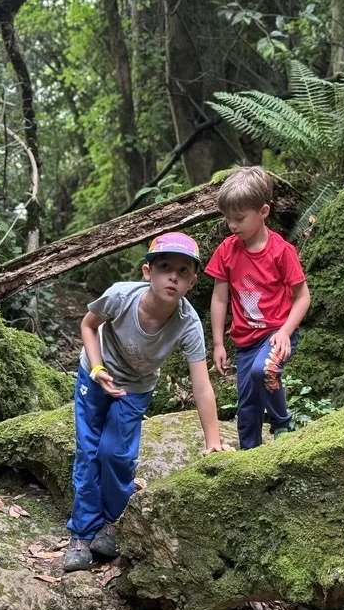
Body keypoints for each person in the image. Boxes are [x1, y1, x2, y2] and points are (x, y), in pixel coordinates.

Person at [63, 232, 231, 573]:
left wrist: (213, 441)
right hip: (94, 377)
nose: (173, 276)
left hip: (135, 388)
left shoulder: (188, 324)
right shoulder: (120, 297)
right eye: (165, 267)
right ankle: (81, 534)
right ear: (147, 272)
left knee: (116, 454)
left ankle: (111, 524)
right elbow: (88, 325)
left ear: (192, 281)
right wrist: (96, 369)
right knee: (89, 451)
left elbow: (201, 384)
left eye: (183, 271)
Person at [206, 166, 311, 450]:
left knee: (263, 370)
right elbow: (219, 298)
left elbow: (302, 297)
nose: (232, 225)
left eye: (239, 218)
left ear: (263, 212)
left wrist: (286, 332)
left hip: (278, 332)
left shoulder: (281, 251)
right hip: (246, 341)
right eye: (228, 219)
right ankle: (249, 450)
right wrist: (218, 343)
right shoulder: (227, 251)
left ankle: (282, 425)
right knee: (248, 401)